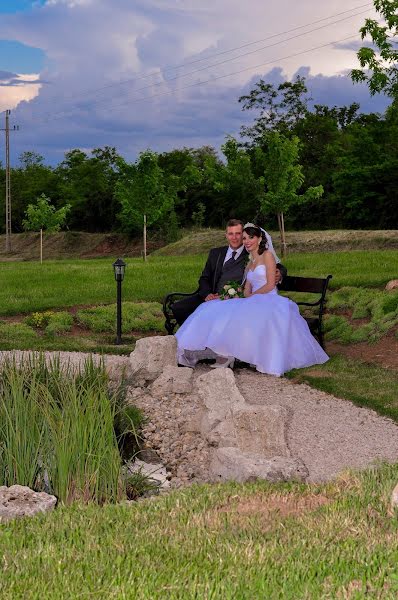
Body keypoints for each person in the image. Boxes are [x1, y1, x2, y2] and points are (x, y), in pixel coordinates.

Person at [175, 223, 329, 377]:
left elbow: (269, 284)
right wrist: (236, 294)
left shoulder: (267, 255)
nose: (246, 241)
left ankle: (233, 355)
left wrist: (255, 293)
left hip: (268, 299)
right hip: (253, 298)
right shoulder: (250, 261)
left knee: (241, 315)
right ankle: (198, 351)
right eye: (245, 238)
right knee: (209, 308)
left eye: (250, 237)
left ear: (260, 238)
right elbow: (246, 288)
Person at [171, 219, 284, 326]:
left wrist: (280, 273)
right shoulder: (216, 253)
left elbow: (276, 265)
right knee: (179, 308)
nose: (234, 238)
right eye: (230, 234)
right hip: (212, 296)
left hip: (233, 298)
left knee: (213, 313)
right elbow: (204, 278)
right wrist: (207, 295)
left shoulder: (251, 251)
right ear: (226, 235)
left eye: (238, 234)